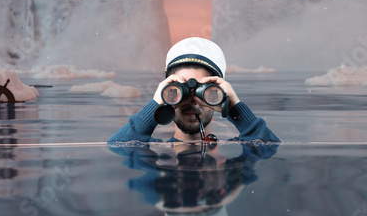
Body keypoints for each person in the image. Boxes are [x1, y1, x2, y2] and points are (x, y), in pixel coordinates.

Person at [108, 37, 280, 143]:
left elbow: (270, 151)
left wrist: (235, 108)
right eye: (178, 90)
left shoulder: (240, 153)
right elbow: (117, 145)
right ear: (167, 91)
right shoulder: (156, 150)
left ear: (220, 93)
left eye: (204, 91)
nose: (191, 102)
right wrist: (155, 105)